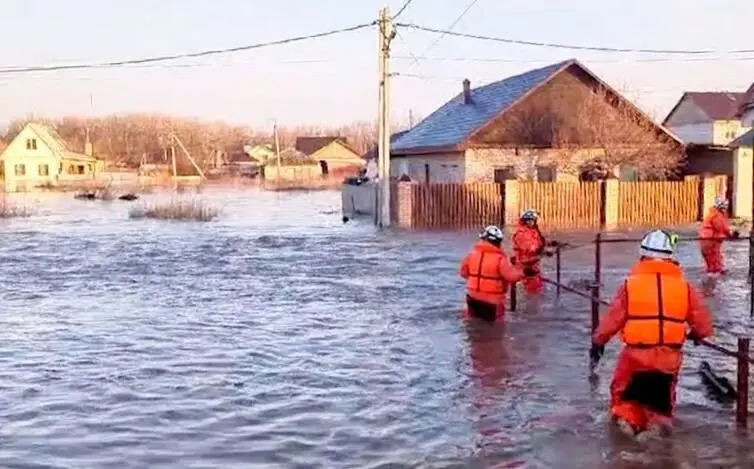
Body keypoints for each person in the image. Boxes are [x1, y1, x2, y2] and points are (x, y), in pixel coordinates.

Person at [589, 229, 714, 439]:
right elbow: (703, 326)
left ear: (642, 255)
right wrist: (693, 336)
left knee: (624, 400)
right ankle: (656, 437)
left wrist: (598, 342)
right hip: (669, 358)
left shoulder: (630, 285)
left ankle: (626, 437)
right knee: (661, 406)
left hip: (635, 356)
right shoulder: (686, 288)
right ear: (671, 257)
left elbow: (612, 320)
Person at [459, 225, 534, 321]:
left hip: (472, 298)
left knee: (473, 327)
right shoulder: (500, 259)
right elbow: (511, 277)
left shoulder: (471, 255)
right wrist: (525, 272)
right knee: (495, 331)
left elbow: (463, 273)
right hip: (492, 302)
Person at [512, 209, 559, 294]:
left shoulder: (533, 231)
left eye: (533, 220)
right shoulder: (521, 234)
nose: (531, 223)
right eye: (529, 221)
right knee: (533, 292)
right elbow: (529, 249)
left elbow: (539, 241)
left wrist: (551, 243)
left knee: (539, 289)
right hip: (525, 267)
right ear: (525, 221)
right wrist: (543, 252)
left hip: (534, 265)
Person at [699, 198, 739, 277]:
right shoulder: (717, 215)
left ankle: (712, 273)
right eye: (725, 206)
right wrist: (731, 235)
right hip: (712, 239)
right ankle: (715, 274)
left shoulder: (712, 214)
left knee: (711, 258)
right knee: (714, 257)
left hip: (706, 239)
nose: (726, 208)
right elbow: (722, 228)